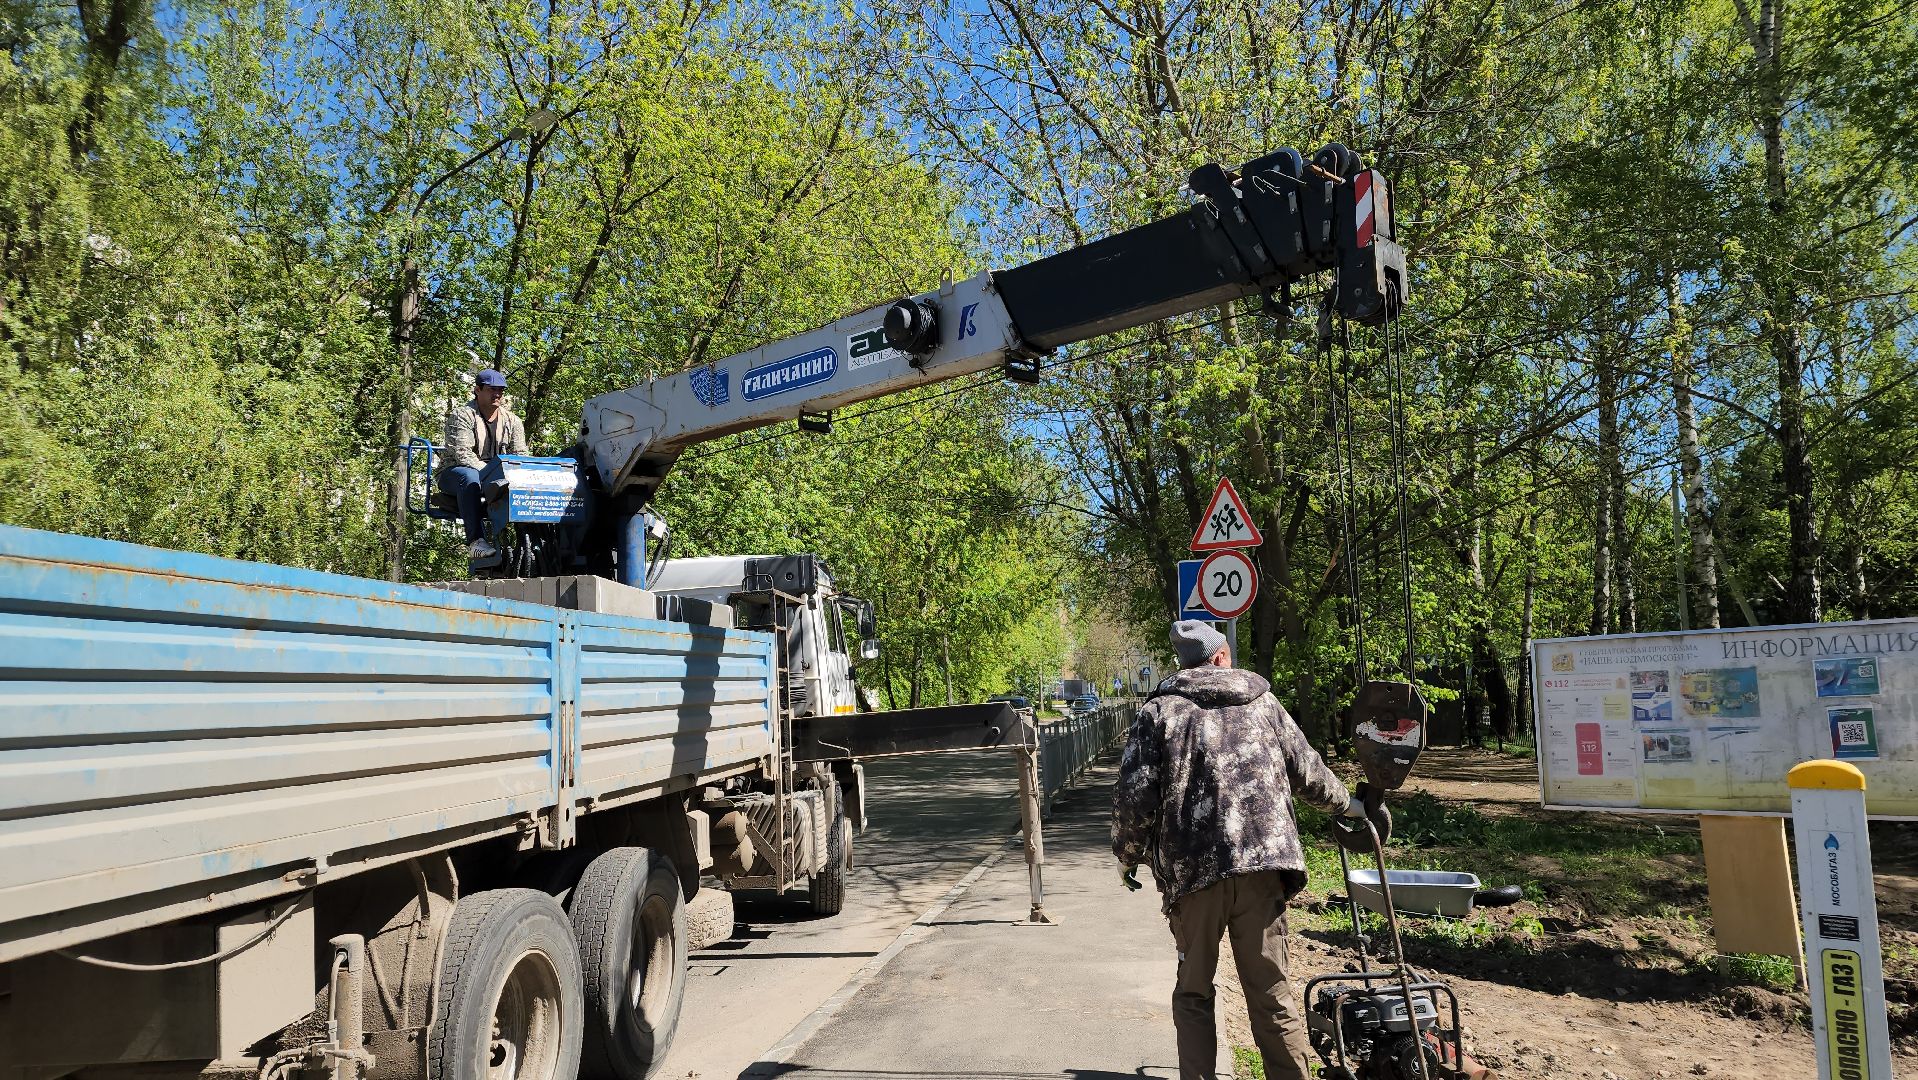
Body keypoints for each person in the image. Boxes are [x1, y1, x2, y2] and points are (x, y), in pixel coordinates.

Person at [1112, 620, 1389, 1080]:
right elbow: (1308, 769)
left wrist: (1127, 856)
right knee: (1271, 992)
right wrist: (1351, 806)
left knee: (1194, 993)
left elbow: (1133, 796)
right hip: (1263, 868)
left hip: (1194, 873)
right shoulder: (1263, 703)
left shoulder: (1158, 713)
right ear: (1221, 656)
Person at [437, 368, 528, 559]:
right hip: (455, 473)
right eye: (492, 389)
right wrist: (492, 474)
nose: (497, 394)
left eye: (501, 390)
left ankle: (528, 542)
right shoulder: (462, 415)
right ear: (477, 390)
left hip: (494, 475)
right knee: (470, 478)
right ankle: (476, 542)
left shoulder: (513, 421)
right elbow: (463, 455)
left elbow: (520, 456)